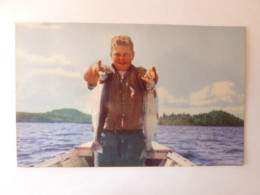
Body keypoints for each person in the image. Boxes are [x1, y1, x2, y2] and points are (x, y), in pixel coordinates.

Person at [84, 35, 158, 166]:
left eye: (126, 54)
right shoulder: (105, 72)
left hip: (135, 137)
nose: (122, 58)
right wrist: (93, 68)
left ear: (133, 55)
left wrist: (152, 76)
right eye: (117, 54)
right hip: (106, 136)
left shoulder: (139, 73)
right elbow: (89, 79)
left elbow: (152, 80)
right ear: (110, 54)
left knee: (133, 178)